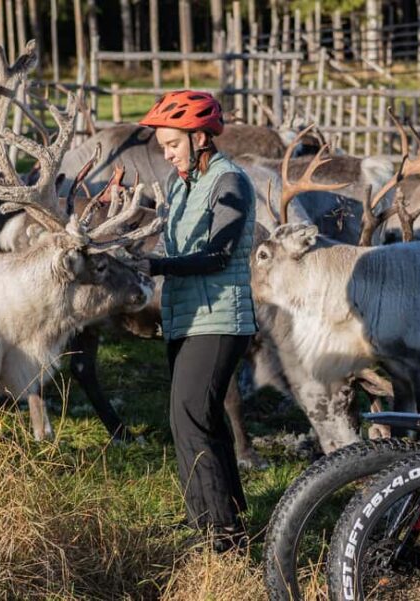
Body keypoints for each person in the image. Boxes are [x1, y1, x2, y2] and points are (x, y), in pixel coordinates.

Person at [138, 91, 257, 552]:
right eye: (163, 146)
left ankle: (220, 538)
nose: (166, 154)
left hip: (220, 318)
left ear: (201, 137)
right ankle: (226, 522)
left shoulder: (230, 183)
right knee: (202, 420)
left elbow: (217, 253)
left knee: (189, 420)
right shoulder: (181, 185)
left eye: (172, 144)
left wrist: (155, 266)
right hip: (187, 317)